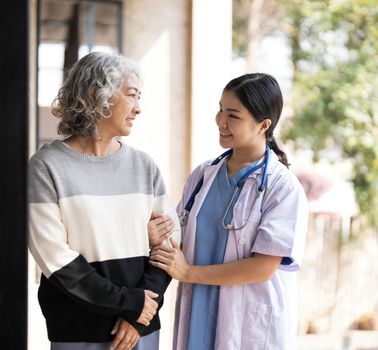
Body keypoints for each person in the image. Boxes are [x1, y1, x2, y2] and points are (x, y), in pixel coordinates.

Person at [28, 51, 179, 350]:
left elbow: (169, 245)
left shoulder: (143, 166)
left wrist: (139, 314)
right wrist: (129, 303)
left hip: (141, 330)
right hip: (77, 330)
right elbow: (56, 259)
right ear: (97, 94)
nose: (139, 108)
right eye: (132, 95)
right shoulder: (47, 167)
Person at [149, 73, 309, 350]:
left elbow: (263, 267)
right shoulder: (203, 175)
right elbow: (179, 239)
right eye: (220, 110)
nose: (221, 121)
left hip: (247, 323)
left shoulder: (282, 187)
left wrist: (188, 273)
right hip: (199, 309)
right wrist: (156, 235)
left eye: (233, 115)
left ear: (263, 125)